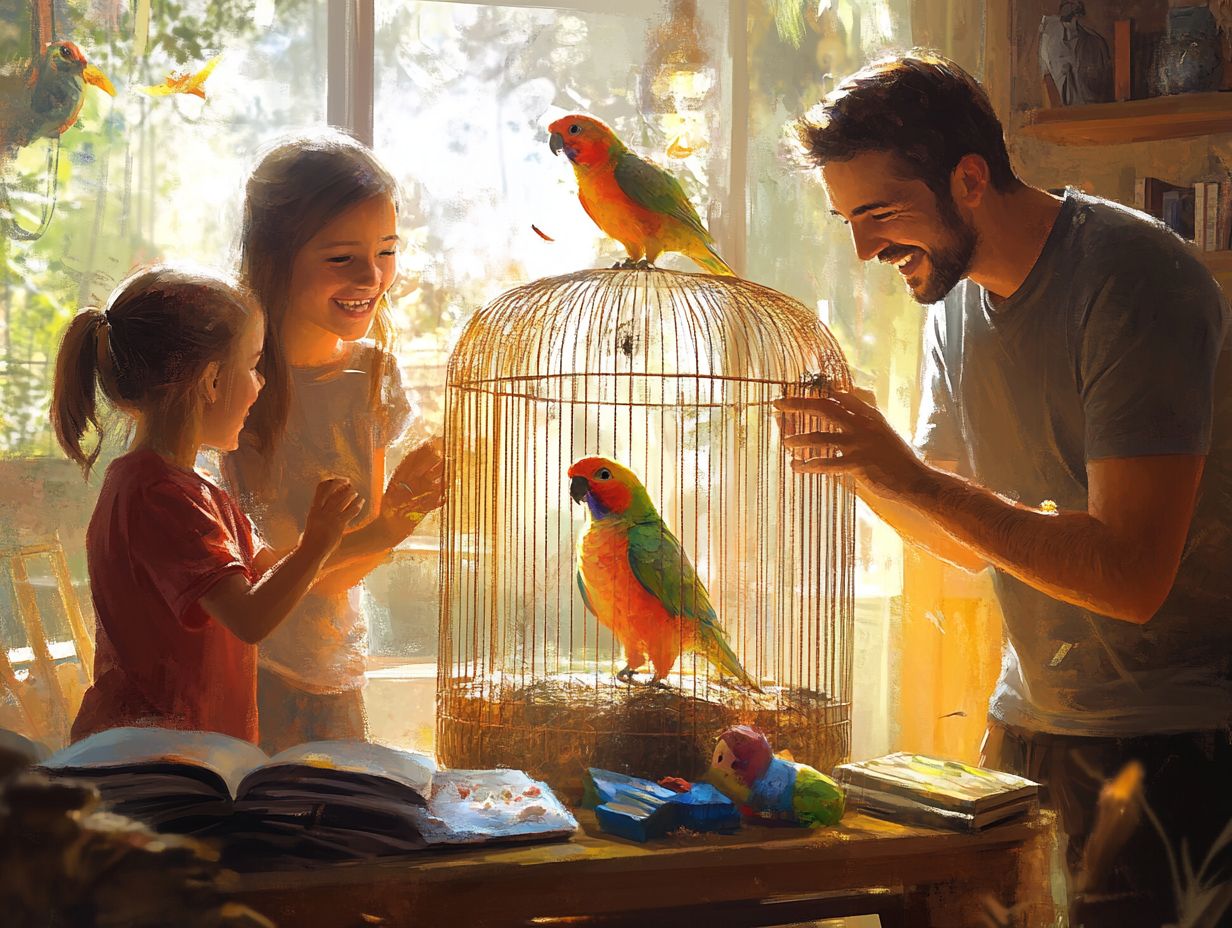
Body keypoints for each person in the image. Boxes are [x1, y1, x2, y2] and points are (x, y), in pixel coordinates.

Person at [778, 53, 1232, 926]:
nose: (864, 249)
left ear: (971, 178)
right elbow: (959, 536)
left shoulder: (1134, 279)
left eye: (877, 213)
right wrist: (862, 464)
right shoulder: (953, 304)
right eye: (846, 220)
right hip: (1029, 724)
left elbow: (1131, 577)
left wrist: (907, 474)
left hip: (1178, 742)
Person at [51, 265, 364, 743]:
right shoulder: (158, 494)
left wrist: (369, 527)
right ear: (212, 382)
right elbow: (251, 616)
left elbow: (271, 573)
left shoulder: (196, 488)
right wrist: (317, 542)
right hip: (151, 761)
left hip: (192, 754)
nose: (261, 385)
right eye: (253, 366)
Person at [223, 129, 446, 753]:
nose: (372, 277)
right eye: (341, 257)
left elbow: (349, 557)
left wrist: (394, 515)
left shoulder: (375, 374)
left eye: (387, 251)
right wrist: (397, 521)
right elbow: (280, 576)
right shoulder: (241, 387)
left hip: (337, 665)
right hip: (250, 670)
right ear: (274, 257)